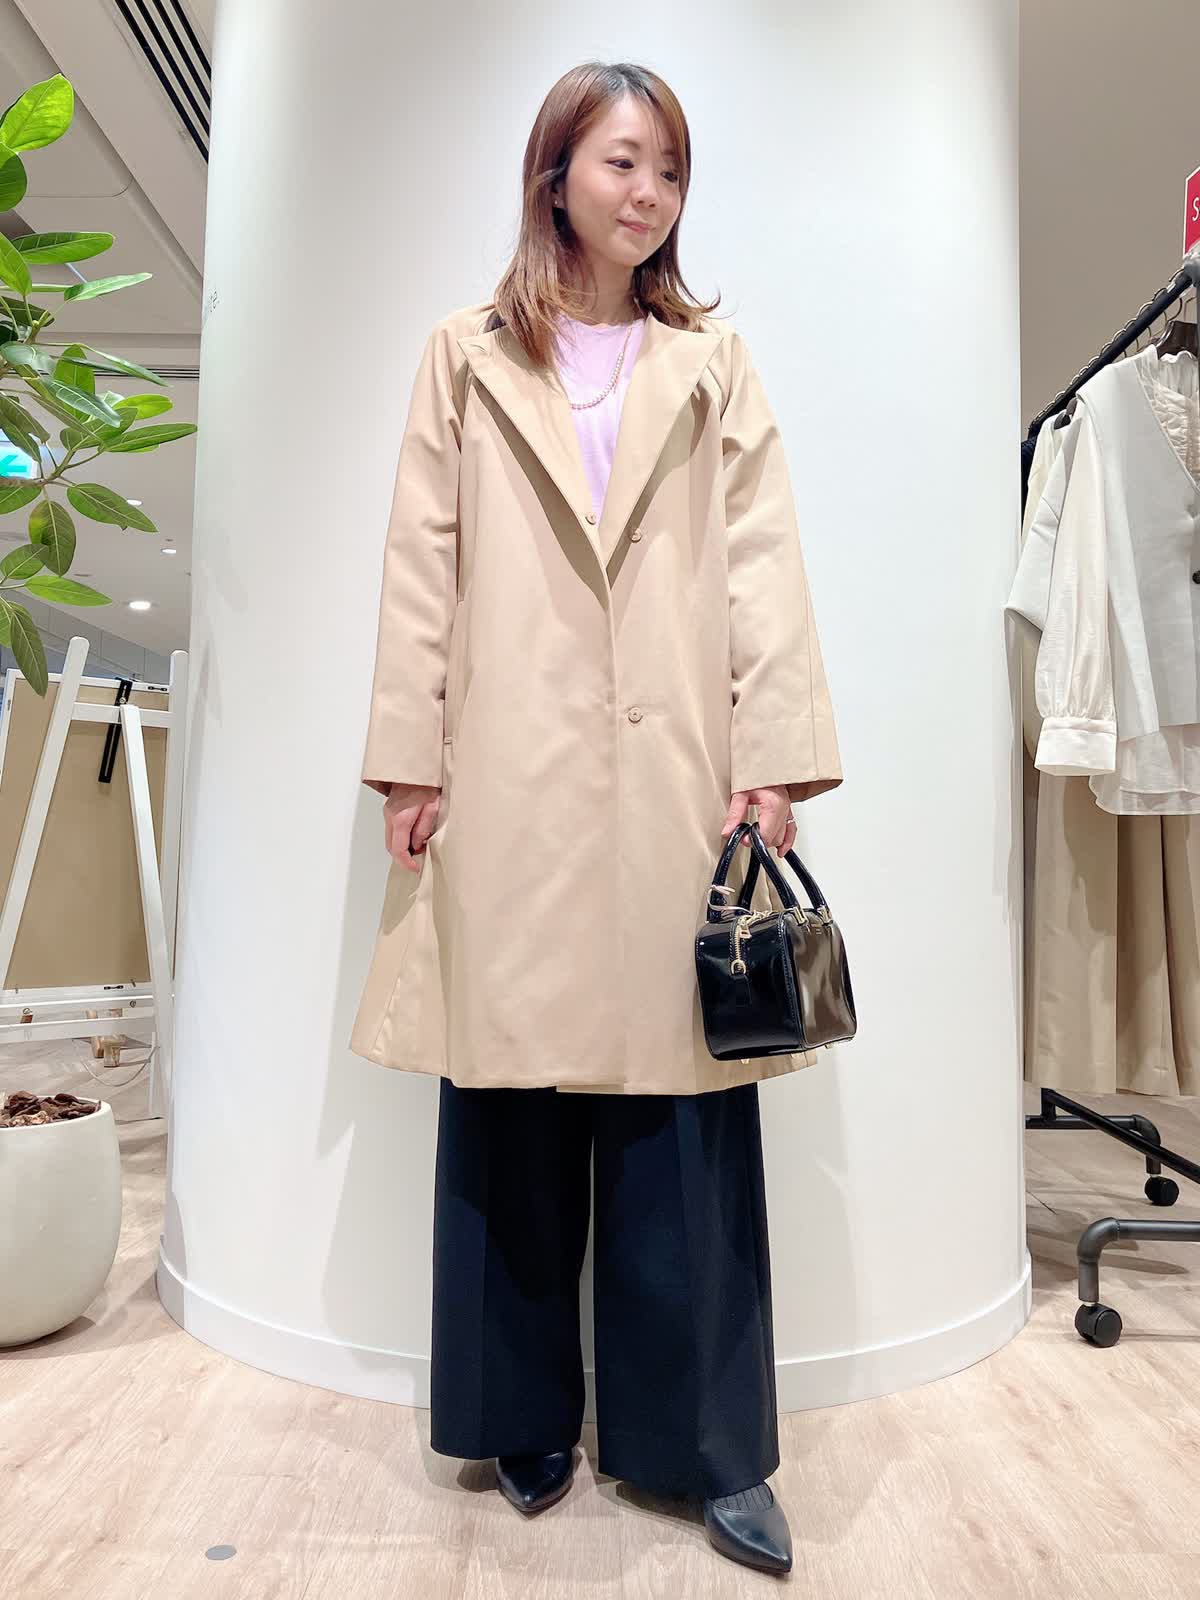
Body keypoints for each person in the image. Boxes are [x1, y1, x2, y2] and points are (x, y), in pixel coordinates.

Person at [352, 59, 843, 1577]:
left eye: (671, 170)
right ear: (556, 172)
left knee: (681, 1116)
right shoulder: (463, 355)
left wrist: (775, 757)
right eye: (624, 161)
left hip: (678, 774)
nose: (650, 193)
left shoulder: (713, 362)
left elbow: (761, 562)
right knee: (507, 1097)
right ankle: (518, 1415)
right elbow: (422, 559)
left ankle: (705, 1448)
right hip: (506, 771)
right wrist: (411, 760)